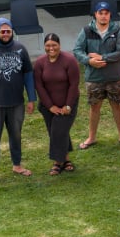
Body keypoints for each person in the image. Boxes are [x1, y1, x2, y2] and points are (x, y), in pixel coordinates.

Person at [0, 17, 36, 187]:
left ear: (12, 32)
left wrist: (31, 98)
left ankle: (17, 165)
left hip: (16, 104)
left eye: (8, 31)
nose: (5, 34)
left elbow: (28, 75)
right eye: (2, 31)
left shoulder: (21, 49)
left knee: (16, 136)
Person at [73, 1, 120, 149]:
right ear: (95, 14)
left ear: (110, 15)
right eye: (101, 13)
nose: (104, 16)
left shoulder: (118, 30)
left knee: (116, 106)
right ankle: (91, 137)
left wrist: (102, 57)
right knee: (94, 108)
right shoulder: (86, 31)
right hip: (94, 77)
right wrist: (89, 61)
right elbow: (77, 50)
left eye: (106, 13)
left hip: (114, 77)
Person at [34, 33, 80, 176]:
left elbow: (74, 85)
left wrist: (68, 106)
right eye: (48, 45)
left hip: (68, 104)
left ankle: (57, 162)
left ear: (59, 45)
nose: (51, 48)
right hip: (48, 106)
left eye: (54, 45)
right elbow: (39, 86)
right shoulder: (40, 62)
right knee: (56, 132)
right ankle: (66, 159)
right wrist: (50, 106)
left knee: (58, 131)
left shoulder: (69, 60)